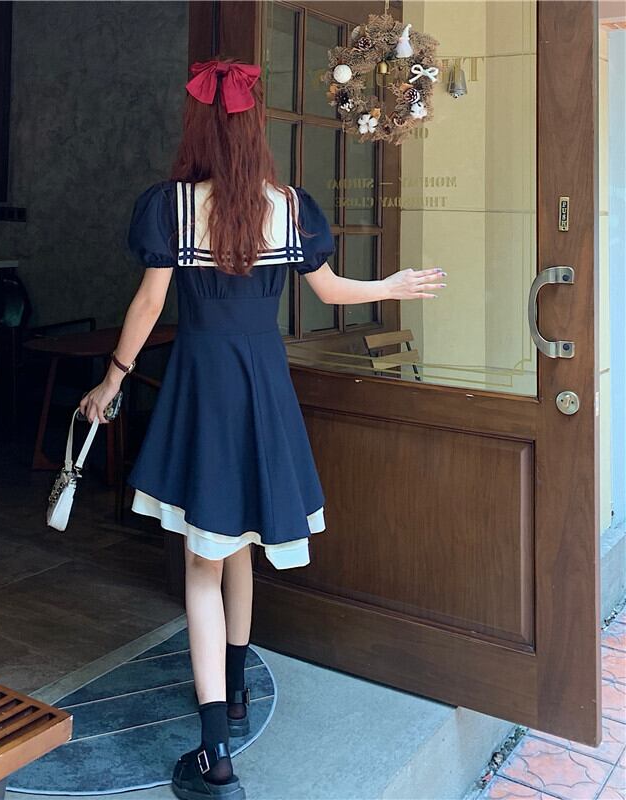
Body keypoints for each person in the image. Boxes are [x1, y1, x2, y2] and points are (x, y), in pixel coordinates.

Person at [80, 57, 447, 800]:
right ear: (257, 131)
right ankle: (238, 690)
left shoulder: (173, 206)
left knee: (202, 561)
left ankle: (215, 754)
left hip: (203, 382)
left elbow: (149, 307)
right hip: (264, 384)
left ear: (199, 130)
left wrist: (112, 380)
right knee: (239, 539)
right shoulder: (288, 206)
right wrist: (392, 285)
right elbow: (331, 290)